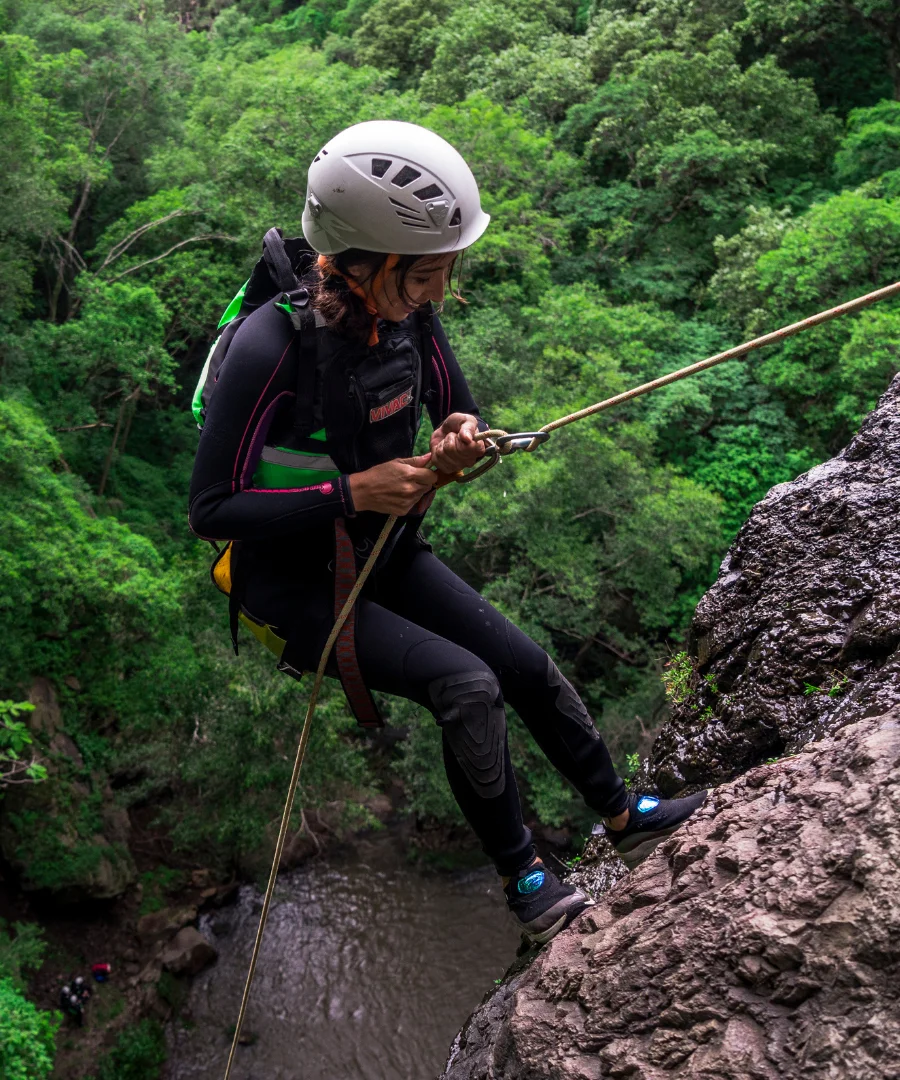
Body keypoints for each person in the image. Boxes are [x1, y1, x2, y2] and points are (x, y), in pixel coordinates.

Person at [188, 120, 707, 945]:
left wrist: (461, 439)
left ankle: (622, 814)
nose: (437, 291)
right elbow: (210, 510)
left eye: (444, 272)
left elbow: (456, 410)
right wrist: (351, 490)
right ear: (362, 260)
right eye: (425, 273)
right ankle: (525, 881)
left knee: (523, 664)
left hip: (384, 552)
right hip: (289, 584)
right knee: (466, 684)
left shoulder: (407, 315)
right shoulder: (271, 346)